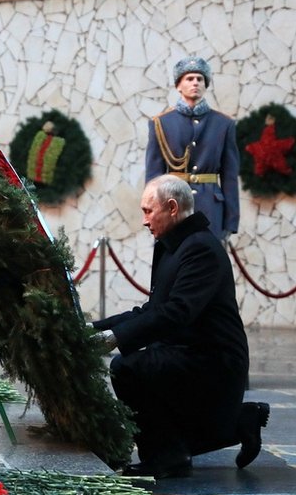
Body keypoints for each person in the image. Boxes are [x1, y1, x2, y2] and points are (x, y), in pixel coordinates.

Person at [91, 175, 269, 479]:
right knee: (146, 368)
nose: (144, 221)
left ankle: (167, 457)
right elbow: (151, 310)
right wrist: (95, 328)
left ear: (172, 207)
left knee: (128, 368)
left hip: (215, 359)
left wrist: (115, 339)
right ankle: (239, 421)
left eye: (149, 211)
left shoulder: (200, 249)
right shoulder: (175, 244)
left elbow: (178, 312)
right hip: (186, 351)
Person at [145, 55, 240, 241]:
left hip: (211, 209)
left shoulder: (223, 124)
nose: (195, 83)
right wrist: (152, 215)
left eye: (200, 79)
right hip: (172, 208)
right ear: (178, 85)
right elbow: (153, 177)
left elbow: (230, 177)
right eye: (189, 78)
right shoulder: (161, 124)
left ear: (205, 85)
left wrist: (231, 221)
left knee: (209, 266)